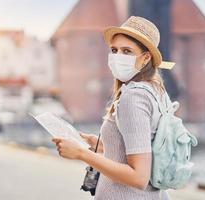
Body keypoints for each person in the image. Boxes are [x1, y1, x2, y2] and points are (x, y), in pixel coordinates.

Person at [52, 16, 174, 200]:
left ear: (145, 58)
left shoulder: (134, 96)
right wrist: (100, 145)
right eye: (114, 50)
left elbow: (139, 176)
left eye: (127, 51)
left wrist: (81, 153)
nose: (118, 57)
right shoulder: (156, 91)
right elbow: (143, 147)